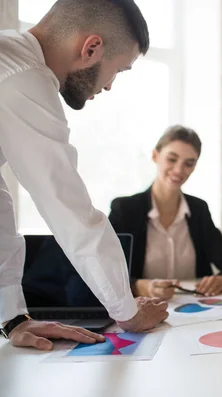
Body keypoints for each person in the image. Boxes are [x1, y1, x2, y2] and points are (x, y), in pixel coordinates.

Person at [0, 0, 168, 351]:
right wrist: (126, 311)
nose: (108, 87)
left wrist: (13, 318)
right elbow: (67, 208)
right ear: (91, 48)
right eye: (119, 71)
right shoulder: (23, 78)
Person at [109, 125, 222, 300]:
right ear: (155, 156)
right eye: (172, 159)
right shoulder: (125, 210)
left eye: (189, 163)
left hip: (196, 312)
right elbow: (104, 271)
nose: (179, 170)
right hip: (142, 311)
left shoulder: (198, 209)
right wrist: (139, 286)